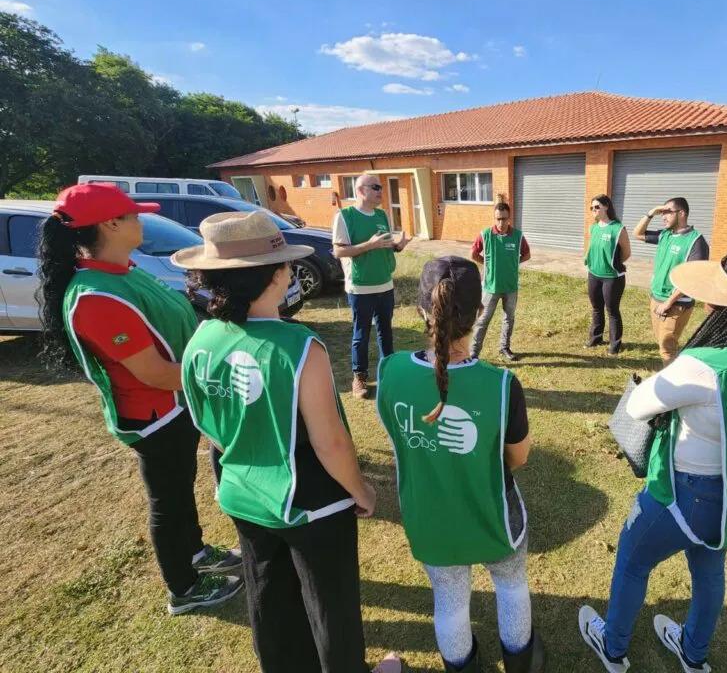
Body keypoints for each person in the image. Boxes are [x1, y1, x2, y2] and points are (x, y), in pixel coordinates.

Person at [174, 211, 401, 673]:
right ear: (276, 275)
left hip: (242, 493)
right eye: (284, 264)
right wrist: (363, 491)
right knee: (330, 602)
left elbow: (205, 421)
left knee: (268, 593)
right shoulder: (299, 347)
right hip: (311, 504)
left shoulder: (201, 338)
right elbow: (330, 443)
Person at [579, 251, 727, 673]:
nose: (708, 303)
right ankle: (694, 654)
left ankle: (613, 648)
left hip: (685, 494)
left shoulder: (706, 365)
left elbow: (639, 405)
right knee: (709, 571)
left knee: (632, 561)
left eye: (716, 297)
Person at [36, 182, 242, 616]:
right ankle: (183, 588)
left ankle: (196, 553)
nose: (140, 220)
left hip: (175, 408)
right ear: (110, 224)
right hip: (154, 417)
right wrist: (220, 375)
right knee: (168, 499)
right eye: (132, 215)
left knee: (181, 490)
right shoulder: (96, 296)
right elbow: (154, 373)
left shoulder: (123, 270)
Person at [377, 256, 544, 673]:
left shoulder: (391, 371)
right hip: (494, 517)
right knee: (510, 585)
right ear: (478, 312)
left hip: (430, 520)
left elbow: (399, 439)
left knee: (449, 600)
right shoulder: (502, 384)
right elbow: (518, 458)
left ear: (420, 310)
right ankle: (522, 663)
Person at [332, 174, 409, 399]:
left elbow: (383, 246)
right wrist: (369, 245)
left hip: (385, 284)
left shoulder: (382, 214)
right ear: (361, 190)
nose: (380, 191)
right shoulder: (345, 216)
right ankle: (360, 378)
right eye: (375, 187)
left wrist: (397, 247)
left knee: (386, 331)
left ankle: (390, 373)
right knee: (361, 333)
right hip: (360, 287)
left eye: (381, 187)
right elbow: (339, 251)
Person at [632, 197, 709, 366]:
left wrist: (668, 302)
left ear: (681, 213)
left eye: (668, 212)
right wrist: (651, 213)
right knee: (663, 343)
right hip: (656, 298)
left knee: (667, 349)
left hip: (675, 304)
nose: (663, 216)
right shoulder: (664, 235)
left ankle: (674, 387)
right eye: (662, 212)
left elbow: (692, 278)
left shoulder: (696, 241)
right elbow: (637, 234)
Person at [469, 201, 531, 363]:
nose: (501, 223)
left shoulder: (518, 236)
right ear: (494, 218)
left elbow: (527, 255)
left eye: (504, 219)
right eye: (498, 219)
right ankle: (474, 354)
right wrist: (487, 264)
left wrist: (512, 264)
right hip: (490, 287)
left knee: (508, 318)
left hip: (511, 287)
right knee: (482, 321)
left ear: (509, 218)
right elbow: (473, 254)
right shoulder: (485, 235)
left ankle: (504, 347)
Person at [585, 195, 631, 354]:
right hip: (593, 274)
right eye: (591, 208)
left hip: (612, 278)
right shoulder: (594, 227)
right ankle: (596, 338)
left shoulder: (618, 228)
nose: (593, 210)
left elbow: (626, 253)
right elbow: (593, 248)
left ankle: (614, 345)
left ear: (606, 207)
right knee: (597, 308)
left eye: (596, 207)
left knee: (612, 311)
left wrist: (613, 264)